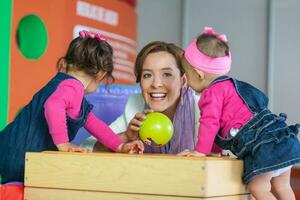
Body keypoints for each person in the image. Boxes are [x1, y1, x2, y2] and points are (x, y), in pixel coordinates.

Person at [0, 30, 143, 184]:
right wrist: (63, 144)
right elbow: (53, 105)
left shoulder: (65, 87)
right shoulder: (73, 86)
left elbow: (96, 125)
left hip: (12, 150)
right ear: (101, 74)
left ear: (67, 63)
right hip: (19, 155)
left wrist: (120, 146)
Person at [178, 26, 300, 200]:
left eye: (187, 77)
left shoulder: (211, 93)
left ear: (198, 74)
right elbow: (220, 129)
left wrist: (201, 151)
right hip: (280, 137)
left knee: (258, 188)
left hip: (263, 146)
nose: (187, 84)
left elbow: (210, 123)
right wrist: (215, 151)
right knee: (282, 186)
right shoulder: (231, 86)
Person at [82, 41, 200, 154]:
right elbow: (87, 146)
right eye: (147, 75)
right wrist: (126, 137)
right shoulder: (136, 106)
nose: (156, 84)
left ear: (183, 80)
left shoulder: (201, 109)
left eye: (167, 74)